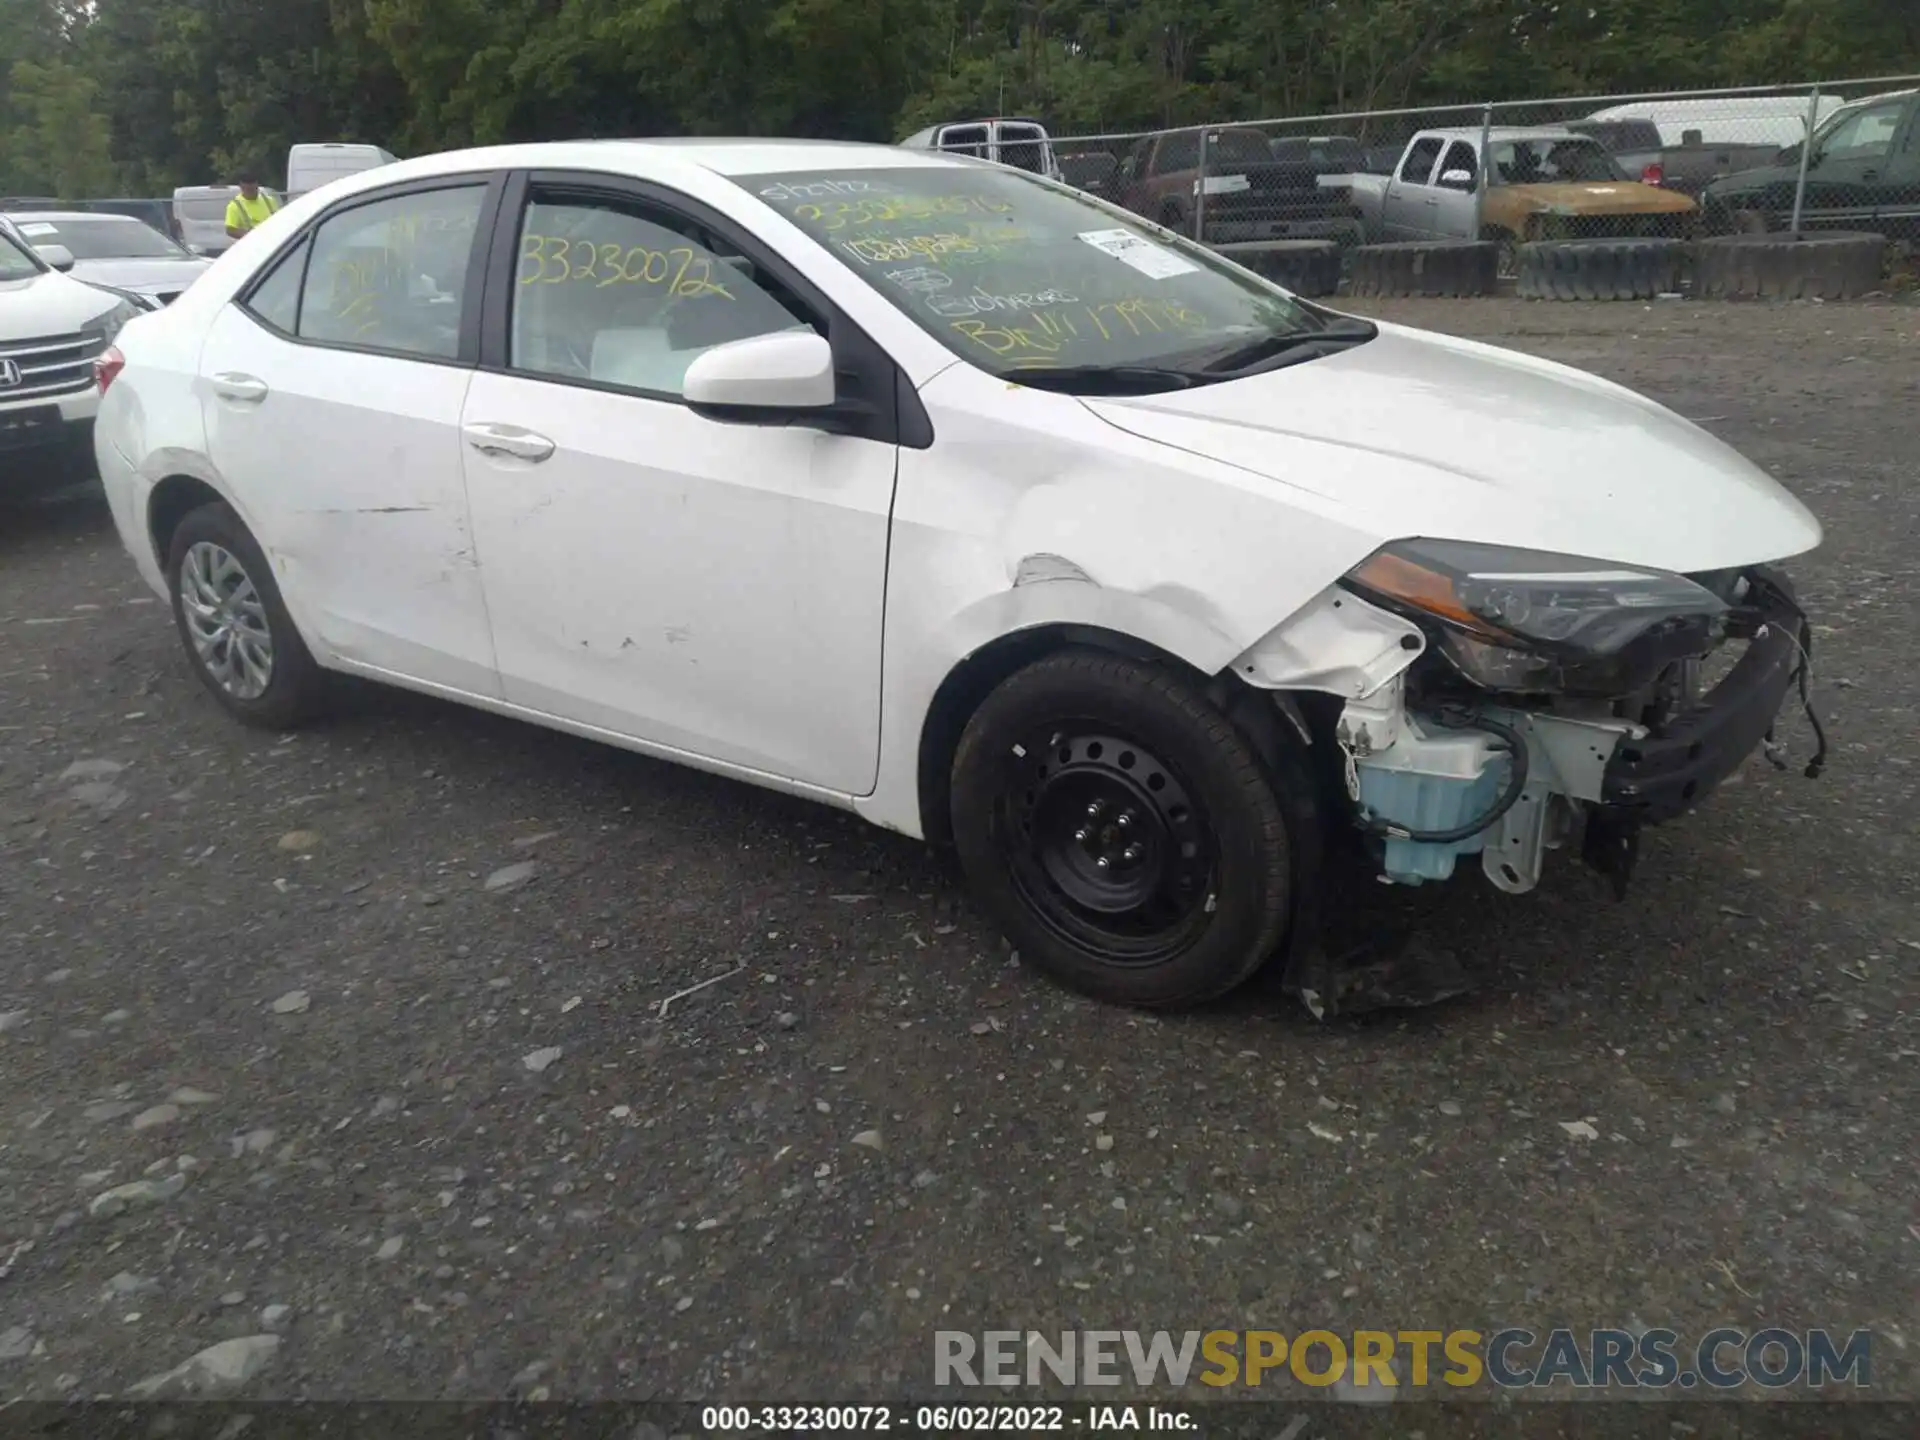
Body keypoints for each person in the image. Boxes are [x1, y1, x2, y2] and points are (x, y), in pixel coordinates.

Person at [224, 175, 279, 241]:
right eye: (247, 189)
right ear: (241, 187)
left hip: (273, 241)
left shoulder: (269, 201)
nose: (250, 192)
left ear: (257, 186)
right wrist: (251, 236)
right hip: (251, 245)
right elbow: (230, 230)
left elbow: (279, 220)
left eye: (253, 189)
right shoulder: (234, 206)